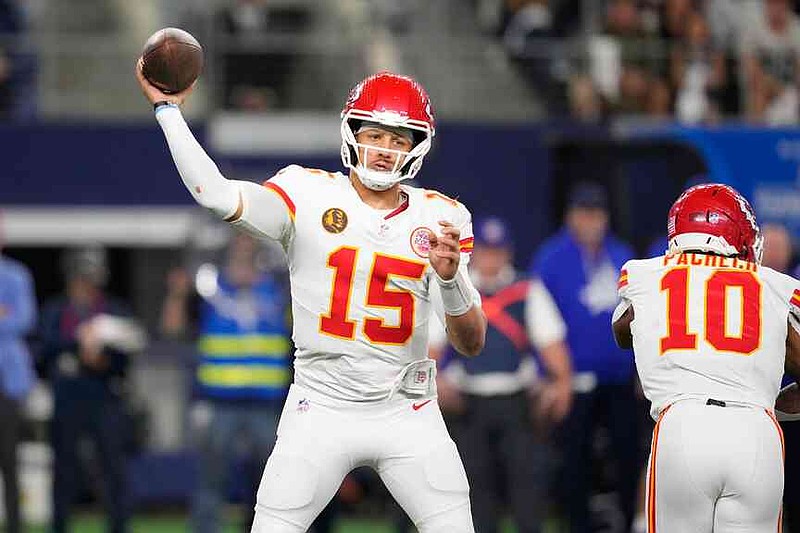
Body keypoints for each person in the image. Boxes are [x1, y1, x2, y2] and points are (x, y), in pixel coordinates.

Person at [136, 63, 487, 532]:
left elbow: (470, 342)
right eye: (376, 134)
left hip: (408, 409)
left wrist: (450, 281)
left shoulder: (443, 217)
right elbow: (216, 195)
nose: (384, 150)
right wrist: (168, 112)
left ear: (416, 146)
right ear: (352, 131)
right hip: (320, 407)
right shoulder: (307, 193)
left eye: (399, 139)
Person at [612, 183, 800, 531]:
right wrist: (776, 402)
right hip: (756, 431)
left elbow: (622, 333)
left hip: (683, 426)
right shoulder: (776, 285)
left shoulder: (645, 275)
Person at [435, 216, 572, 533]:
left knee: (526, 488)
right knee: (474, 489)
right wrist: (436, 384)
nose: (491, 259)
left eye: (497, 251)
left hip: (516, 401)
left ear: (507, 253)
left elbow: (552, 344)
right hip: (468, 403)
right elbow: (432, 348)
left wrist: (561, 385)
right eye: (485, 251)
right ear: (474, 253)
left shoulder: (526, 289)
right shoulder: (455, 288)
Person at [160, 230, 293, 532]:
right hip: (219, 402)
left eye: (250, 242)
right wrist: (177, 293)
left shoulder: (278, 290)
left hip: (267, 403)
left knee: (275, 485)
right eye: (239, 242)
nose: (244, 248)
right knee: (211, 481)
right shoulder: (209, 289)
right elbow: (172, 329)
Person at [528, 181, 639, 532]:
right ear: (571, 216)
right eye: (584, 213)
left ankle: (626, 520)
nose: (591, 220)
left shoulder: (622, 254)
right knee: (574, 460)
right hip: (573, 379)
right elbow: (540, 320)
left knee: (627, 457)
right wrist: (550, 375)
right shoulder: (551, 257)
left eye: (597, 213)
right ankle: (576, 525)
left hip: (619, 378)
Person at [39, 246, 145, 533]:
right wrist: (77, 344)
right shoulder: (57, 310)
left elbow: (129, 353)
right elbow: (44, 350)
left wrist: (102, 359)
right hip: (69, 397)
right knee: (64, 473)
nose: (85, 284)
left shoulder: (112, 311)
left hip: (105, 396)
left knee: (113, 471)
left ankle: (118, 527)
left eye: (90, 277)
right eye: (80, 277)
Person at [0, 247, 37, 533]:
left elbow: (24, 320)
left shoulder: (16, 275)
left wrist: (9, 317)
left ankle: (14, 528)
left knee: (9, 462)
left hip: (8, 383)